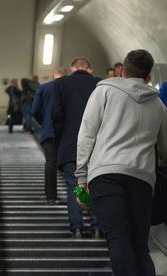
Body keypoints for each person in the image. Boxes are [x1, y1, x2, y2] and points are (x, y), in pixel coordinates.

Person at [75, 49, 167, 276]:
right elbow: (165, 149)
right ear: (147, 77)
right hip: (143, 179)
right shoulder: (159, 106)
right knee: (139, 244)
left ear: (121, 71)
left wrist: (81, 178)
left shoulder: (104, 92)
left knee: (118, 238)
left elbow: (87, 135)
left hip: (106, 175)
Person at [51, 57, 100, 238]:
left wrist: (61, 137)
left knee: (75, 185)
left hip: (71, 145)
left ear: (72, 69)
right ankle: (97, 226)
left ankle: (77, 227)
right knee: (94, 184)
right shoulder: (99, 84)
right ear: (89, 69)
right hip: (96, 145)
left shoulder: (61, 84)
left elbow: (56, 114)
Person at [32, 67, 67, 205]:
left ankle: (51, 197)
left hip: (49, 132)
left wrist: (44, 123)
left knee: (50, 163)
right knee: (73, 168)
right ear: (66, 76)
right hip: (67, 133)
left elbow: (35, 110)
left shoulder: (44, 88)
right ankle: (80, 199)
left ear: (53, 76)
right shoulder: (69, 87)